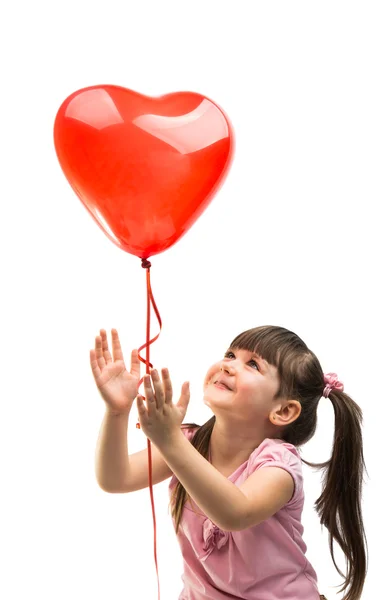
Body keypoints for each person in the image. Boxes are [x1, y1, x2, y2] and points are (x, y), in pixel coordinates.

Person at [92, 325, 368, 600]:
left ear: (283, 410)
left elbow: (235, 513)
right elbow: (116, 478)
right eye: (230, 354)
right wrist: (117, 411)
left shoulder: (279, 466)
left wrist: (170, 442)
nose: (228, 365)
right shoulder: (188, 442)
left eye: (253, 365)